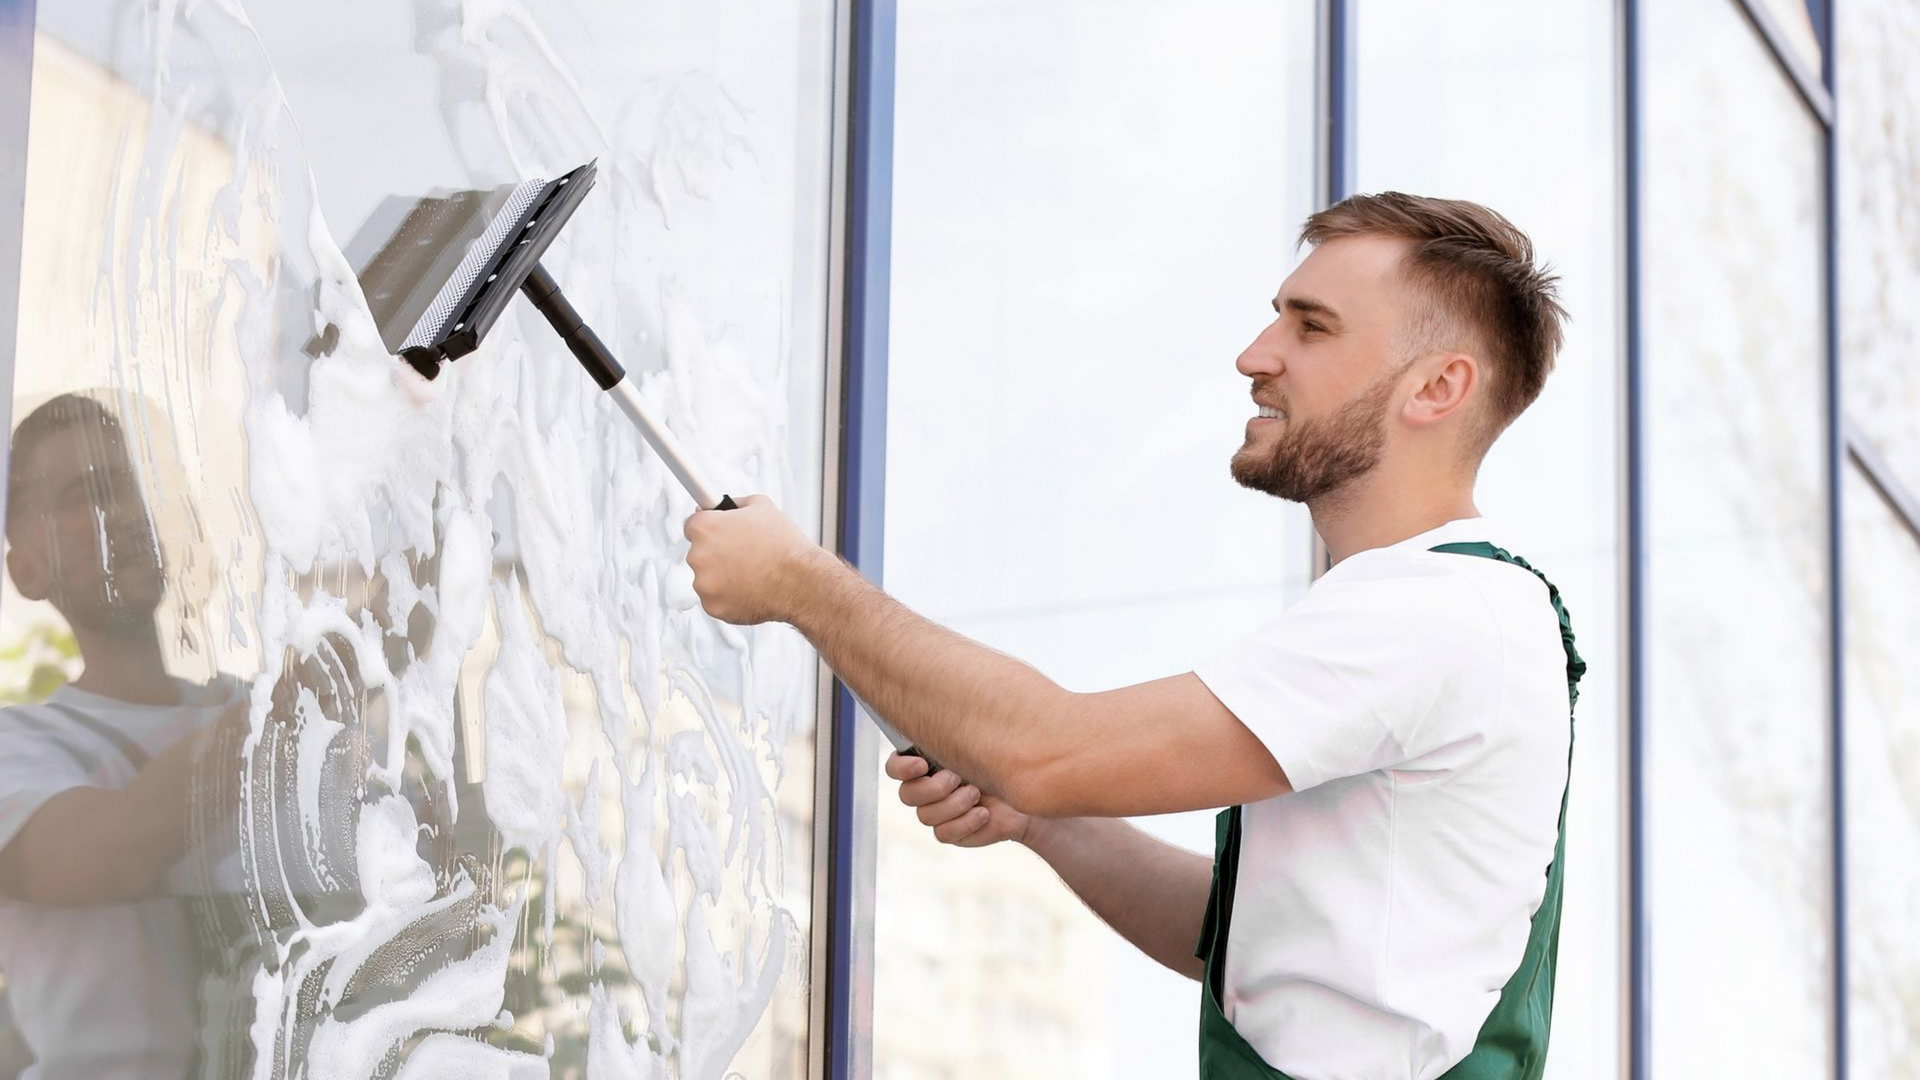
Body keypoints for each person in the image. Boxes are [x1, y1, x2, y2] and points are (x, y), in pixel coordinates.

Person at [683, 192, 1586, 1079]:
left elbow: (1044, 748)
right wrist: (1040, 822)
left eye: (1311, 327)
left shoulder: (1433, 611)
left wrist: (799, 581)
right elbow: (1239, 945)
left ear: (1438, 386)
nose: (1254, 355)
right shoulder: (1451, 614)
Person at [0, 393, 245, 1080]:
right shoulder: (18, 748)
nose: (130, 511)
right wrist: (301, 702)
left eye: (134, 483)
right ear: (27, 571)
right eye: (89, 494)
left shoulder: (264, 710)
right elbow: (103, 856)